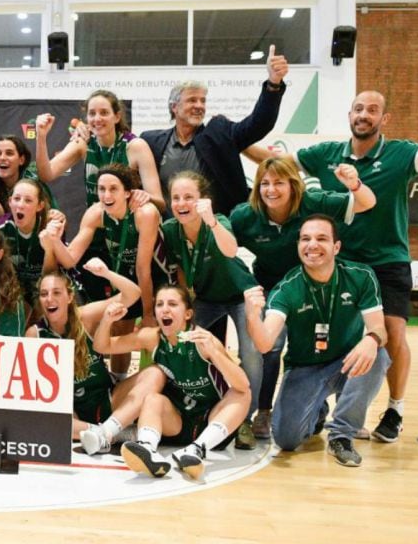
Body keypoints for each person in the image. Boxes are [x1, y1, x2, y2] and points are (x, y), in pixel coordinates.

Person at [268, 92, 418, 443]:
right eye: (359, 109)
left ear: (384, 119)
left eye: (372, 110)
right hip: (339, 261)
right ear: (349, 114)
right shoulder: (325, 154)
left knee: (390, 335)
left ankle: (395, 408)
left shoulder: (400, 153)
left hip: (387, 260)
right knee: (329, 333)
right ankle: (319, 404)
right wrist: (235, 146)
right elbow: (280, 164)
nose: (364, 115)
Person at [229, 157, 375, 439]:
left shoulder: (314, 202)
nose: (271, 189)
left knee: (340, 346)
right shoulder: (245, 216)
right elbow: (224, 250)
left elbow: (367, 203)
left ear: (293, 185)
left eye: (279, 182)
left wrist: (354, 184)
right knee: (269, 348)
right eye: (265, 183)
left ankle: (344, 417)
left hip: (318, 286)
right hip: (274, 290)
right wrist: (246, 283)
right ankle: (263, 411)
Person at [244, 215, 389, 467]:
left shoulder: (360, 276)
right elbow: (265, 344)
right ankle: (317, 409)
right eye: (305, 239)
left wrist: (372, 338)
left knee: (378, 354)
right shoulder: (287, 288)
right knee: (286, 440)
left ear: (336, 247)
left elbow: (380, 328)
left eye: (321, 238)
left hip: (345, 362)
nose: (312, 245)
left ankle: (341, 435)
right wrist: (252, 317)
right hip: (304, 367)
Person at [95, 286, 251, 479]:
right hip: (176, 421)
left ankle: (196, 450)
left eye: (172, 304)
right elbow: (102, 346)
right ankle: (147, 449)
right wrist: (106, 320)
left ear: (187, 314)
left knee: (243, 394)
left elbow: (243, 385)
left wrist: (214, 352)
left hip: (210, 423)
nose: (165, 309)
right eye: (160, 304)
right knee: (153, 399)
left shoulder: (204, 340)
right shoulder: (152, 337)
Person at [159, 170, 259, 449]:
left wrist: (212, 221)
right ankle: (189, 408)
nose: (181, 203)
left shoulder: (218, 221)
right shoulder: (169, 229)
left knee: (251, 354)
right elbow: (179, 269)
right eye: (176, 197)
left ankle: (245, 421)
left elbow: (230, 250)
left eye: (189, 197)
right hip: (204, 300)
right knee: (183, 341)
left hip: (240, 296)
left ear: (203, 199)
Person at [141, 45, 289, 216]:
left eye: (203, 101)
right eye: (192, 100)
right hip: (170, 233)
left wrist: (273, 84)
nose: (199, 106)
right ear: (174, 107)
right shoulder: (151, 141)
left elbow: (258, 124)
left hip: (216, 229)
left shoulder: (220, 133)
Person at [50, 164, 160, 378]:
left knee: (134, 331)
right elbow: (71, 258)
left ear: (127, 192)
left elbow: (143, 268)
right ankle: (109, 380)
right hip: (126, 276)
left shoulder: (144, 213)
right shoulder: (95, 212)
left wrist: (148, 314)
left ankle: (134, 382)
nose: (106, 195)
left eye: (113, 189)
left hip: (156, 275)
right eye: (101, 189)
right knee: (105, 324)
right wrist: (55, 240)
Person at [25, 262, 145, 455]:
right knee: (47, 418)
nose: (49, 299)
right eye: (44, 294)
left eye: (56, 292)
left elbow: (133, 294)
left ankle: (105, 433)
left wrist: (106, 273)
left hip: (107, 400)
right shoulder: (35, 334)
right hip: (71, 413)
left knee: (152, 375)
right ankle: (111, 434)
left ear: (70, 296)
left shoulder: (85, 317)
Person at [34, 92, 165, 211]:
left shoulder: (136, 146)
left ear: (117, 117)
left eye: (104, 113)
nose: (97, 118)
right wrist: (41, 136)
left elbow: (160, 203)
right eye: (92, 113)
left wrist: (143, 196)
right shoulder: (83, 143)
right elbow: (46, 174)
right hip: (97, 223)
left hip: (130, 226)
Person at [0, 178, 60, 315]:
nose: (20, 205)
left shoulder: (50, 227)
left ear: (40, 206)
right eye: (17, 199)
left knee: (50, 294)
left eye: (28, 200)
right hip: (14, 287)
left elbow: (53, 274)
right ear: (10, 202)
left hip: (44, 285)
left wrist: (49, 250)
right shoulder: (1, 228)